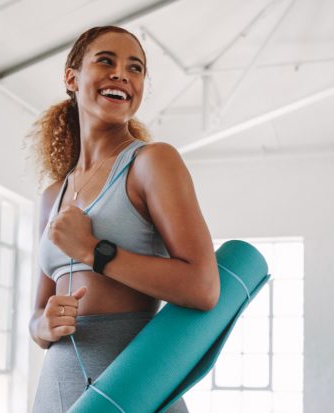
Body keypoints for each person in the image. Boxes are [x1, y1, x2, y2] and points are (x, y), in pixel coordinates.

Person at [28, 25, 220, 412]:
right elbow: (37, 316)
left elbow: (203, 286)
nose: (121, 74)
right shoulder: (53, 196)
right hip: (57, 389)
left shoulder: (152, 163)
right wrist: (44, 325)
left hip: (134, 387)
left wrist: (92, 250)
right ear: (72, 78)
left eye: (135, 68)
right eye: (106, 61)